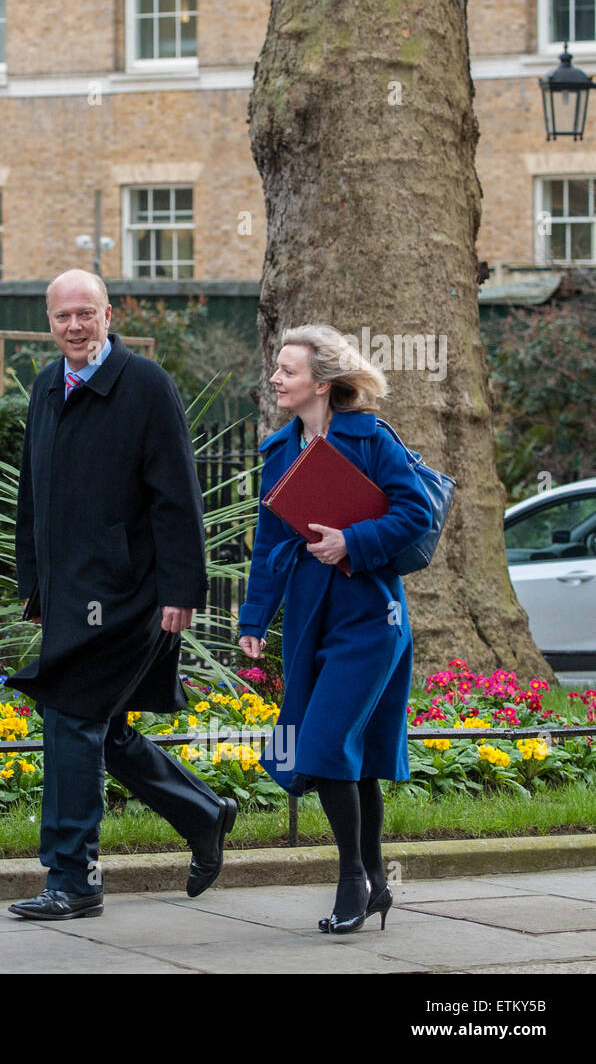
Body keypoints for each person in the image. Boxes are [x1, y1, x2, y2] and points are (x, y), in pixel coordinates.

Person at [5, 268, 237, 921]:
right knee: (96, 727)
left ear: (109, 315)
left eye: (86, 313)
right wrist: (35, 586)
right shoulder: (48, 385)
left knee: (71, 715)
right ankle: (204, 812)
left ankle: (72, 875)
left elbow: (178, 496)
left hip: (130, 595)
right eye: (61, 317)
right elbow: (33, 495)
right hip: (67, 596)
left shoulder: (145, 386)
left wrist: (183, 587)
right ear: (48, 322)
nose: (74, 326)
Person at [238, 324, 434, 934]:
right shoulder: (278, 451)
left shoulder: (371, 438)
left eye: (288, 371)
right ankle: (375, 883)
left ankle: (353, 881)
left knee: (322, 747)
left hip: (372, 619)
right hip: (307, 619)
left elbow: (416, 514)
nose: (276, 379)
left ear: (320, 384)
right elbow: (269, 541)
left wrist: (353, 539)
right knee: (358, 757)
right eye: (277, 369)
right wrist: (254, 618)